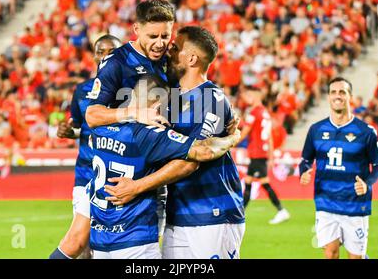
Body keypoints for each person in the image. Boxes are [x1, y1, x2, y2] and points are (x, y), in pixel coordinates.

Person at [49, 75, 241, 259]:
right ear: (157, 106)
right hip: (136, 241)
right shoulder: (149, 136)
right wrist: (233, 137)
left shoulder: (99, 130)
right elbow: (203, 152)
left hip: (101, 241)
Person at [104, 26, 245, 259]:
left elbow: (192, 161)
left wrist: (137, 187)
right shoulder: (171, 98)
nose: (168, 52)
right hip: (178, 214)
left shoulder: (211, 98)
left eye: (175, 48)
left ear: (191, 58)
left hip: (212, 213)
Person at [299, 77, 378, 259]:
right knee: (330, 254)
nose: (338, 96)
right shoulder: (316, 129)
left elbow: (377, 166)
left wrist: (367, 183)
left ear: (350, 96)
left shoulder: (366, 132)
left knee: (355, 257)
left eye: (342, 92)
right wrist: (303, 171)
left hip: (355, 204)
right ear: (328, 97)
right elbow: (305, 159)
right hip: (326, 202)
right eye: (334, 92)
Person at [56, 34, 121, 259]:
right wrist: (69, 132)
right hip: (86, 173)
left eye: (111, 52)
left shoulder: (129, 91)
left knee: (113, 242)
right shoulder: (82, 90)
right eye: (101, 51)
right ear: (94, 56)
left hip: (117, 176)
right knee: (82, 244)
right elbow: (79, 128)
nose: (105, 56)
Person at [85, 0, 176, 129]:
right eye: (153, 36)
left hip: (161, 141)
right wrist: (135, 113)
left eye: (165, 36)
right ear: (136, 29)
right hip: (128, 143)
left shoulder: (170, 58)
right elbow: (92, 116)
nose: (160, 44)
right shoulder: (116, 62)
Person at [240, 85, 290, 224]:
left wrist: (228, 144)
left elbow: (245, 132)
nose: (247, 98)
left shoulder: (254, 112)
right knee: (249, 182)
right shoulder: (265, 113)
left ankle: (281, 210)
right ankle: (240, 213)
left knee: (264, 183)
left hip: (257, 153)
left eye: (248, 95)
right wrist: (271, 156)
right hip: (261, 152)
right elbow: (269, 137)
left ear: (255, 96)